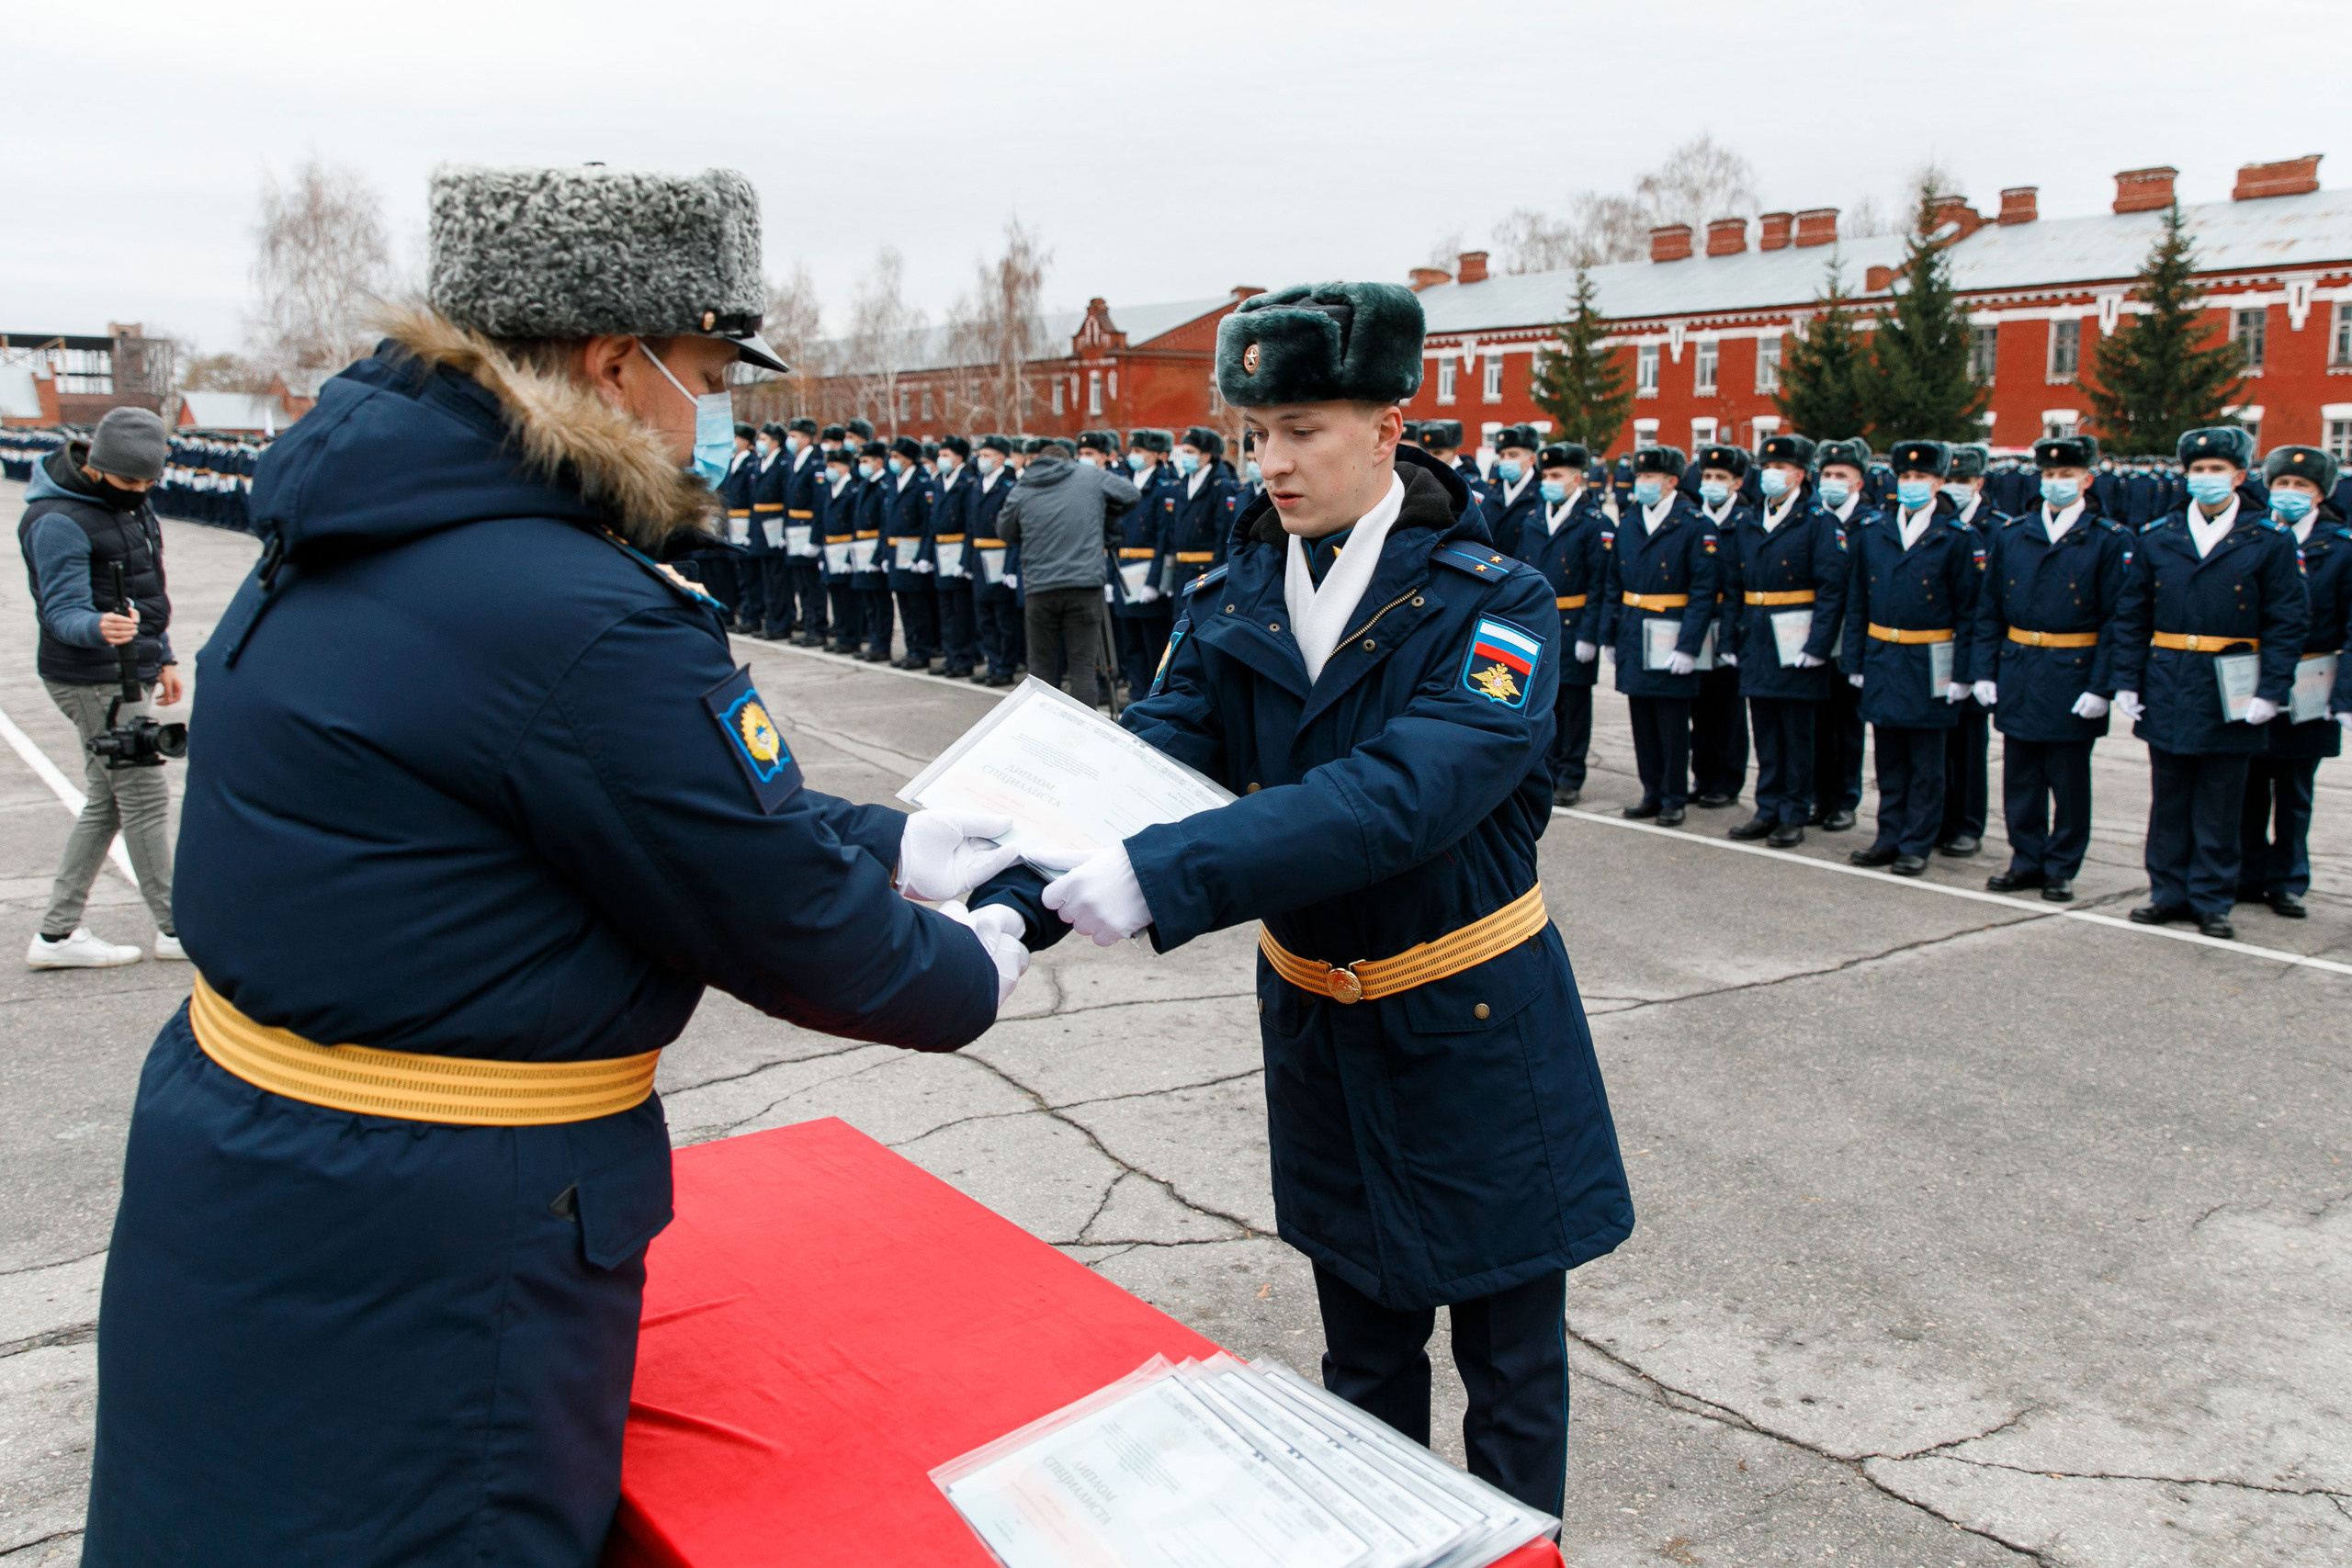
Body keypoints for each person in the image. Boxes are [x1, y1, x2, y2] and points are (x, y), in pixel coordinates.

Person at [83, 164, 1052, 1566]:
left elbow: (550, 800)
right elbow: (791, 921)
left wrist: (892, 836)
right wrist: (970, 957)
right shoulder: (575, 604)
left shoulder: (379, 526)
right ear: (616, 362)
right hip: (437, 1232)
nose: (714, 408)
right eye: (711, 369)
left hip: (265, 1165)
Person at [1037, 281, 1630, 1517]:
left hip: (1472, 1021)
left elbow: (1401, 795)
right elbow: (1147, 760)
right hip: (1318, 1025)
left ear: (1387, 426)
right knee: (1361, 1358)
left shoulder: (1493, 600)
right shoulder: (1239, 596)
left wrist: (1167, 871)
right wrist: (1006, 885)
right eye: (1255, 432)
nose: (1271, 462)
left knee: (1510, 1364)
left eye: (1302, 427)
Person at [2111, 425, 2308, 940]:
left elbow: (2287, 621)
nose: (2206, 478)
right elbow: (2133, 614)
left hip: (2231, 685)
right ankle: (2168, 892)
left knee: (2221, 802)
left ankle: (2212, 898)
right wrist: (2127, 680)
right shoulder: (2159, 536)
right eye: (2197, 470)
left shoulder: (2269, 539)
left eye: (2217, 470)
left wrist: (2272, 690)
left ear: (2240, 476)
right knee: (2170, 796)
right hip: (2170, 679)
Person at [17, 408, 186, 968]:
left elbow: (146, 589)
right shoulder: (57, 519)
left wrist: (160, 654)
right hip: (89, 677)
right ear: (97, 466)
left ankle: (57, 936)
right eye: (129, 481)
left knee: (107, 803)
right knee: (141, 797)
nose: (139, 493)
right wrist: (98, 626)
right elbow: (60, 610)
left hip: (124, 668)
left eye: (149, 482)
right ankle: (174, 927)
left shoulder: (134, 506)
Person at [1967, 435, 2131, 902]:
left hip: (2072, 672)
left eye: (2067, 475)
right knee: (2021, 777)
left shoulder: (2108, 539)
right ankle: (2026, 858)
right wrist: (1984, 670)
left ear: (2087, 480)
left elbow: (2117, 619)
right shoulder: (2014, 534)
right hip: (2019, 665)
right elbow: (1990, 609)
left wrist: (2103, 686)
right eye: (2050, 475)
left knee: (2068, 779)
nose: (2057, 483)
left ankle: (2061, 865)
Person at [1841, 439, 1982, 876]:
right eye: (1905, 477)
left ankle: (1917, 842)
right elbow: (1857, 601)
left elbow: (1971, 611)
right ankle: (1888, 835)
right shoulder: (1875, 531)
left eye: (1922, 477)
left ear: (1939, 482)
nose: (1912, 484)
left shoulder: (1958, 537)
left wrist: (1963, 673)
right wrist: (1856, 660)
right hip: (1884, 654)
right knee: (1889, 757)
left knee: (1927, 761)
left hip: (1930, 658)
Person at [2238, 444, 2348, 919]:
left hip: (2310, 678)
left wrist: (2344, 696)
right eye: (2282, 484)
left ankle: (2287, 879)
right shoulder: (2252, 537)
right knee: (2247, 783)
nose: (2290, 493)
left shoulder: (2342, 548)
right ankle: (2247, 873)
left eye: (2302, 486)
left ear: (2321, 495)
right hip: (2252, 674)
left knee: (2295, 788)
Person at [1721, 434, 1846, 847]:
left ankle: (1794, 810)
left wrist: (1818, 646)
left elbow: (1831, 590)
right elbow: (1734, 585)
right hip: (1756, 636)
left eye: (1780, 468)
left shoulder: (1817, 521)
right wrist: (1730, 637)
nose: (1770, 474)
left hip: (1797, 638)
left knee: (1797, 732)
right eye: (1767, 467)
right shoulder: (1751, 520)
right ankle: (1768, 807)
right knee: (1767, 730)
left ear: (1799, 474)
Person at [1600, 445, 1717, 826]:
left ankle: (1673, 796)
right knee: (1643, 720)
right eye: (1640, 476)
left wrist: (1689, 646)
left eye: (1651, 477)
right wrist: (1611, 634)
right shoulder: (1632, 520)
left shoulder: (1695, 524)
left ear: (1671, 482)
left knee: (1671, 723)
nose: (1643, 483)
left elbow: (1703, 592)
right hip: (1635, 628)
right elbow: (1613, 580)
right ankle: (1651, 791)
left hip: (1671, 630)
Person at [998, 434, 1138, 709]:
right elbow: (1131, 494)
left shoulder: (1024, 484)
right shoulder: (1088, 476)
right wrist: (1105, 512)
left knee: (1040, 669)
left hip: (1041, 587)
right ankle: (1083, 732)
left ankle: (1041, 731)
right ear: (1069, 460)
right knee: (1083, 667)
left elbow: (1005, 532)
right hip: (1084, 585)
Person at [1513, 441, 1608, 807]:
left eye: (1556, 476)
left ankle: (1571, 772)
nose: (1548, 482)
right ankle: (1548, 766)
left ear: (1576, 478)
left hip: (1576, 621)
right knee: (1545, 702)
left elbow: (1600, 582)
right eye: (1546, 475)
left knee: (1575, 705)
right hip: (1542, 624)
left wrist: (1590, 633)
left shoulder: (1594, 523)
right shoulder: (1535, 519)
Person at [1934, 444, 1998, 856]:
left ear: (1979, 483)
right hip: (1934, 651)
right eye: (1950, 481)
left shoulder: (1998, 528)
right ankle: (1938, 818)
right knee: (1936, 743)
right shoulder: (1935, 523)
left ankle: (1968, 824)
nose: (1954, 489)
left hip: (1973, 648)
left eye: (1962, 481)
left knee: (1971, 745)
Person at [1808, 440, 1873, 830]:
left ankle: (1845, 800)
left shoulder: (1869, 524)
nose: (1832, 482)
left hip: (1850, 635)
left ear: (1858, 482)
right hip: (1812, 633)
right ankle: (1819, 795)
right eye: (1827, 475)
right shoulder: (1813, 519)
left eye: (1841, 476)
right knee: (1815, 721)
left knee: (1847, 723)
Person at [1687, 443, 1752, 809]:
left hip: (1730, 623)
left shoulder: (1744, 521)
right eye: (1707, 476)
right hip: (1698, 622)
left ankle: (1727, 780)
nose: (1711, 483)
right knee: (1700, 707)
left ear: (1737, 482)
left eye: (1720, 477)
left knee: (1728, 709)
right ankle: (1703, 775)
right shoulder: (1695, 518)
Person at [1109, 428, 1177, 695]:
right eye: (1132, 450)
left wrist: (1155, 582)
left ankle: (1153, 694)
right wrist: (1109, 576)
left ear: (1156, 456)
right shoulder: (1124, 482)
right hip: (1123, 570)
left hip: (1147, 571)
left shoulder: (1163, 487)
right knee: (1131, 640)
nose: (1133, 456)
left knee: (1153, 642)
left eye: (1139, 451)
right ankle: (1137, 692)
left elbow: (1164, 538)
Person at [1160, 425, 1240, 603]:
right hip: (1180, 571)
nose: (1185, 456)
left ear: (1205, 456)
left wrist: (1215, 578)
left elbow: (1223, 536)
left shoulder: (1220, 487)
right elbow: (1173, 531)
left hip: (1204, 571)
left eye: (1190, 451)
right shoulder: (1182, 484)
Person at [969, 434, 1022, 685]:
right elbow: (970, 526)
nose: (982, 460)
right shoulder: (977, 484)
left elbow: (1014, 530)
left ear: (1001, 458)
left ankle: (1005, 666)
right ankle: (992, 664)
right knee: (985, 616)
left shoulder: (1009, 486)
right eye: (981, 455)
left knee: (1004, 617)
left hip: (1000, 555)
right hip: (980, 556)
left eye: (987, 455)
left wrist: (1010, 566)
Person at [883, 435, 938, 670]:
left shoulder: (922, 483)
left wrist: (924, 555)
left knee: (918, 606)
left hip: (914, 551)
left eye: (896, 457)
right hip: (897, 550)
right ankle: (911, 648)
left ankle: (921, 650)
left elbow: (928, 524)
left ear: (909, 459)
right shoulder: (895, 481)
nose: (892, 461)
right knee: (904, 605)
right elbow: (888, 522)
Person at [930, 434, 980, 678]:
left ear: (959, 458)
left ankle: (964, 658)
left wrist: (966, 559)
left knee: (961, 611)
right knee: (946, 609)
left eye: (945, 455)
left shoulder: (968, 482)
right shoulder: (940, 480)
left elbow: (971, 523)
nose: (941, 459)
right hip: (941, 551)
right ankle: (951, 656)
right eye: (940, 455)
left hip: (959, 549)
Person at [777, 417, 828, 646]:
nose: (790, 440)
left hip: (807, 530)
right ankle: (809, 626)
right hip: (794, 530)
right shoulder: (794, 462)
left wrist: (816, 539)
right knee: (801, 583)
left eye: (794, 436)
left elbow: (819, 505)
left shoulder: (815, 465)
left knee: (812, 583)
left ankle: (817, 628)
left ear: (806, 439)